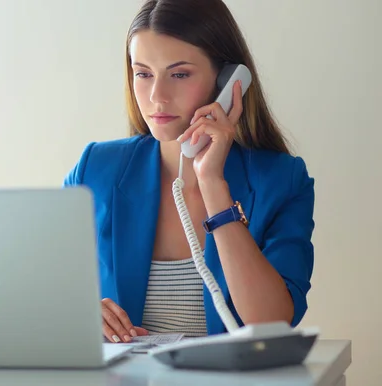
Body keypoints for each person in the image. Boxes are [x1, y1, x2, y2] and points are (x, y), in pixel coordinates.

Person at [64, 0, 315, 344]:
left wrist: (213, 184)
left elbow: (271, 324)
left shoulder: (281, 181)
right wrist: (79, 312)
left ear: (228, 82)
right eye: (143, 73)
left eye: (179, 74)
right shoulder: (95, 170)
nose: (157, 96)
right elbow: (39, 289)